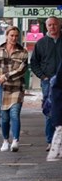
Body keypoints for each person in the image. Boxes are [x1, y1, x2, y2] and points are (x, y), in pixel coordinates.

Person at [0, 26, 29, 152]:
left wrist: (6, 76)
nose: (14, 38)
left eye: (16, 36)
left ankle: (15, 140)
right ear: (7, 36)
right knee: (4, 116)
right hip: (2, 87)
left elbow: (22, 70)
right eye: (12, 35)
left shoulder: (23, 52)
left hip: (17, 87)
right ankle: (5, 140)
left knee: (15, 114)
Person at [30, 16, 62, 151]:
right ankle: (50, 141)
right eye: (49, 25)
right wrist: (42, 77)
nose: (52, 27)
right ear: (46, 26)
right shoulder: (41, 43)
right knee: (49, 112)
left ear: (59, 25)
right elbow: (34, 62)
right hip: (48, 82)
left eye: (55, 24)